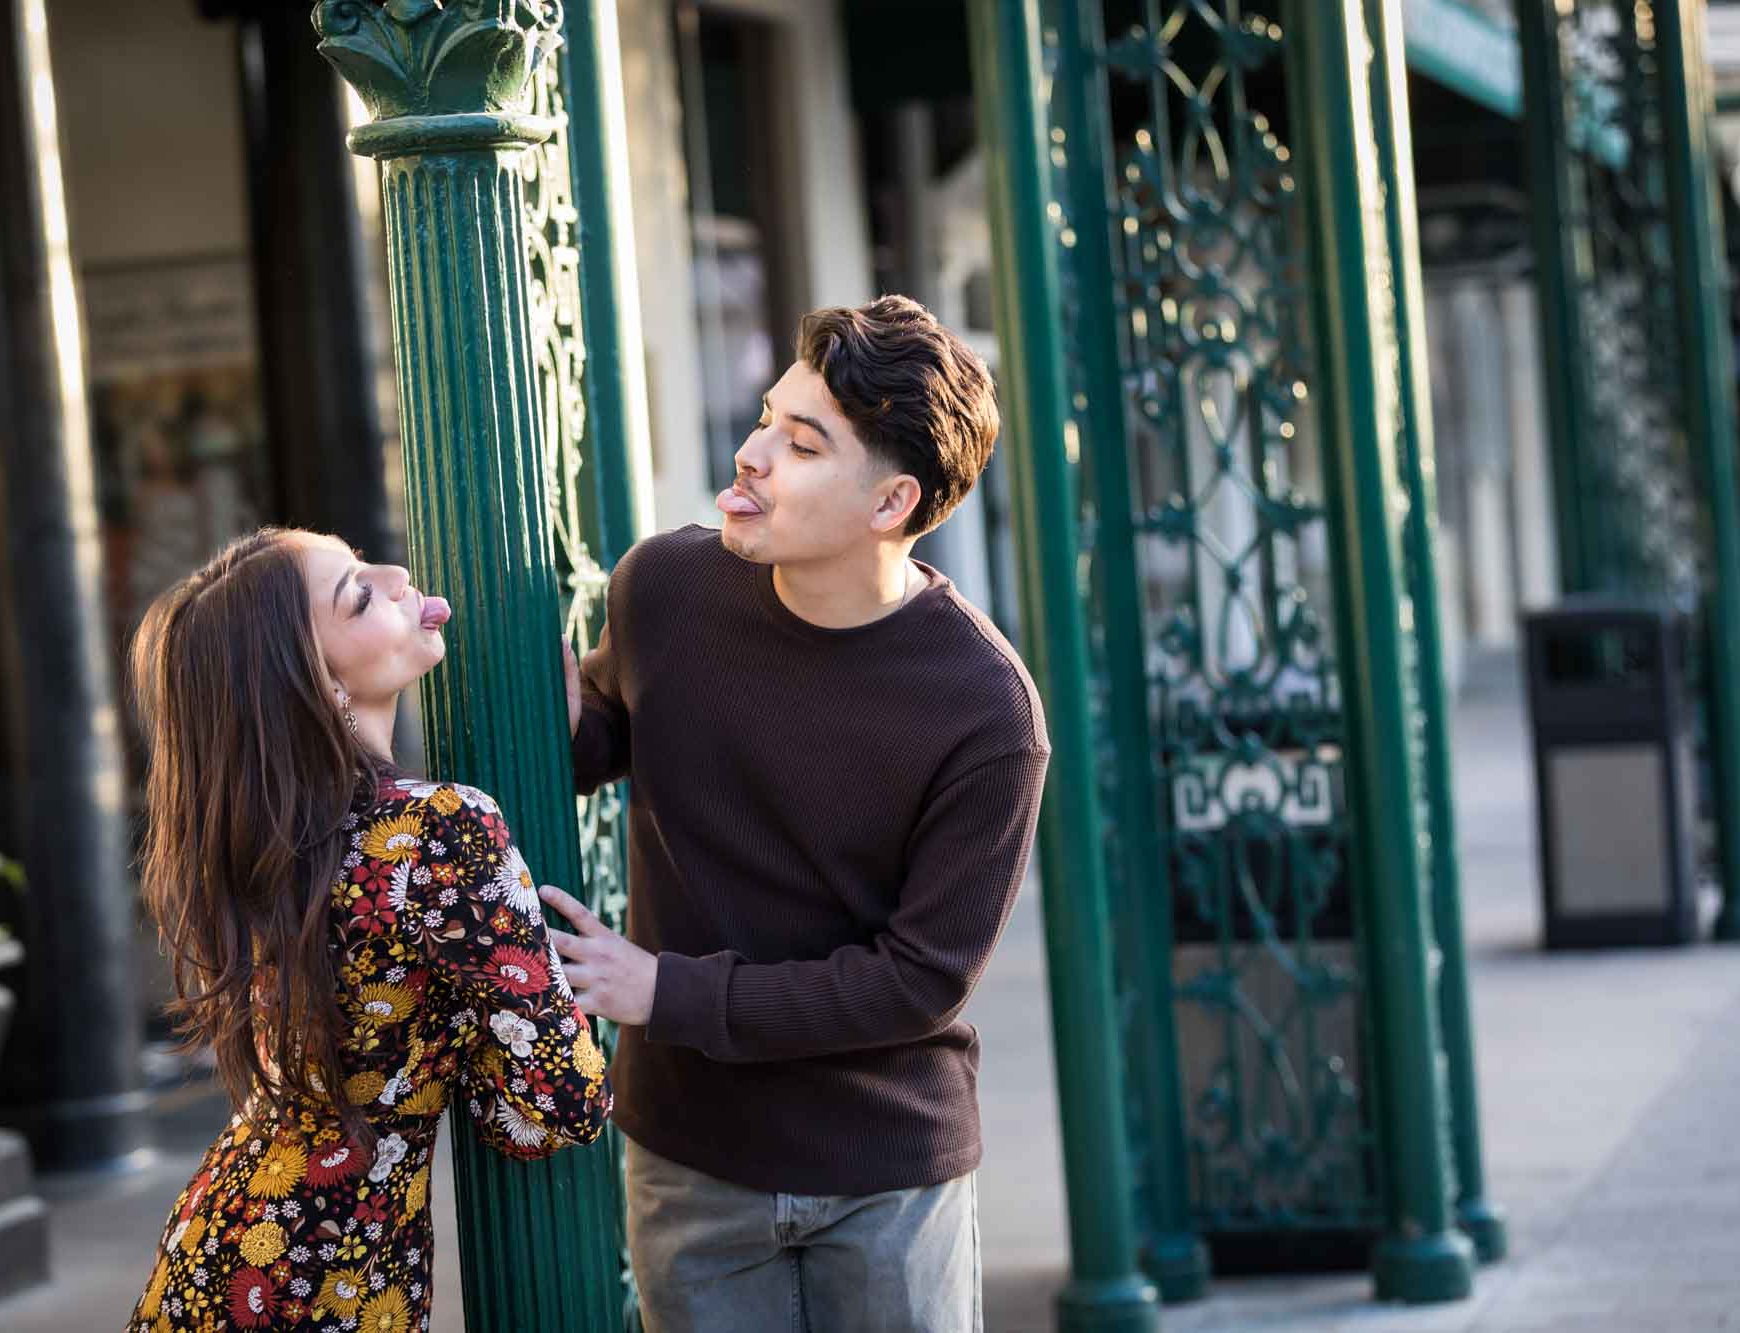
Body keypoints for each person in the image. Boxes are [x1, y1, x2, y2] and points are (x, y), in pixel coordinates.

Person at [547, 295, 1046, 1331]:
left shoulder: (986, 711)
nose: (751, 453)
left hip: (886, 1181)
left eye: (800, 442)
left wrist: (666, 992)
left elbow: (916, 981)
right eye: (767, 416)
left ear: (889, 503)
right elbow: (598, 736)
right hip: (693, 1156)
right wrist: (523, 677)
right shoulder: (665, 589)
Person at [121, 527, 611, 1333]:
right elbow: (558, 1106)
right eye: (357, 592)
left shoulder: (274, 850)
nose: (396, 573)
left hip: (219, 1257)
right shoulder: (443, 828)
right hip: (329, 1285)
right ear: (318, 684)